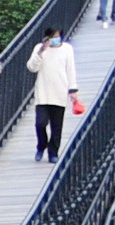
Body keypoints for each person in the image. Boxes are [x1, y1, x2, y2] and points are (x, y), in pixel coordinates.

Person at [26, 29, 78, 160]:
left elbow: (70, 69)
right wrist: (41, 51)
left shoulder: (67, 49)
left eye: (57, 36)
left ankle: (53, 152)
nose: (55, 38)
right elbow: (32, 67)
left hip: (59, 91)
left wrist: (72, 90)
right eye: (52, 36)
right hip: (43, 92)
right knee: (40, 123)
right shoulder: (40, 48)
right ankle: (41, 145)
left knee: (56, 126)